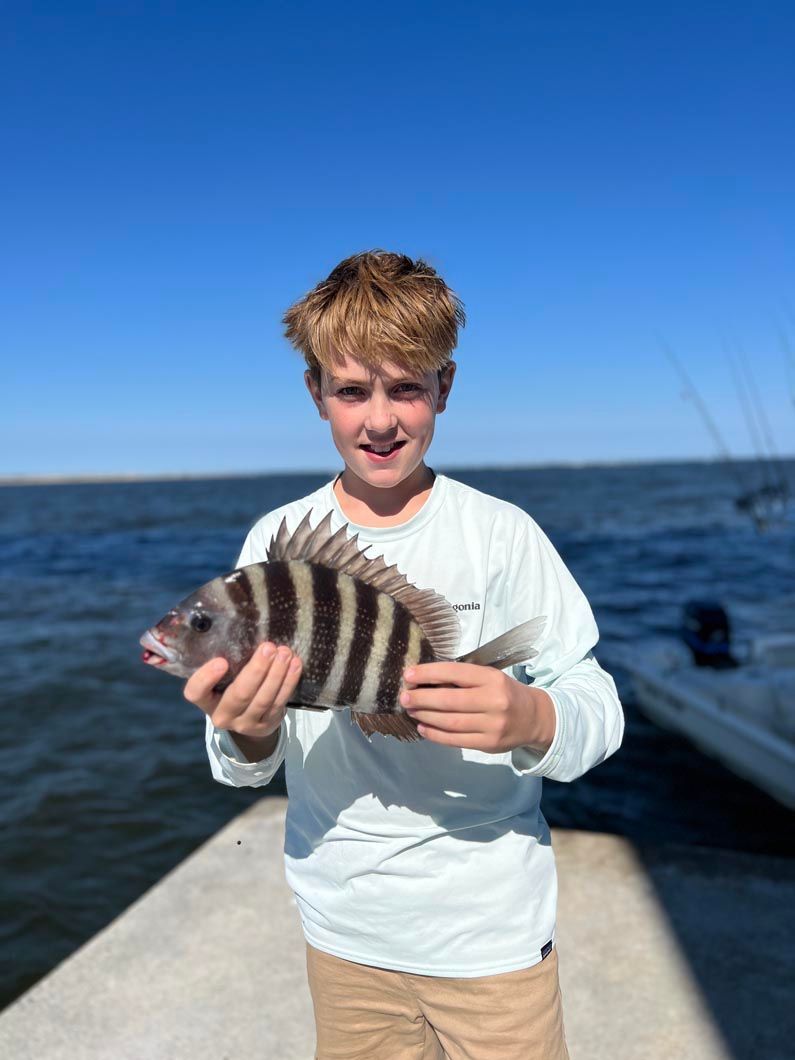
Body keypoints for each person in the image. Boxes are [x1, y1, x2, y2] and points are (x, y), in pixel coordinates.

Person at [185, 250, 624, 1060]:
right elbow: (245, 760)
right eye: (351, 390)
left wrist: (531, 714)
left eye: (406, 387)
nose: (378, 420)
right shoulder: (273, 546)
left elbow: (594, 699)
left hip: (490, 935)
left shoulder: (500, 534)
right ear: (315, 393)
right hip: (342, 927)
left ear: (444, 389)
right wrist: (244, 730)